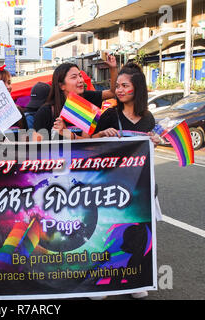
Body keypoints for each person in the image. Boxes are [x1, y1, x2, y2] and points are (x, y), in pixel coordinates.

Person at [91, 62, 159, 299]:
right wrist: (101, 134)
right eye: (117, 86)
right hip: (110, 185)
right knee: (108, 232)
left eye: (124, 85)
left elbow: (148, 151)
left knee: (139, 233)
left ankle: (136, 280)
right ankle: (103, 279)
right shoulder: (110, 114)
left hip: (139, 186)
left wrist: (155, 140)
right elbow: (89, 145)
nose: (118, 90)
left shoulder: (148, 118)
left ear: (137, 89)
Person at [33, 55, 117, 141]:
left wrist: (113, 68)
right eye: (74, 77)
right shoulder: (45, 112)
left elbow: (86, 142)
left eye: (80, 76)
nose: (80, 80)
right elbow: (37, 148)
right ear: (62, 86)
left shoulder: (87, 99)